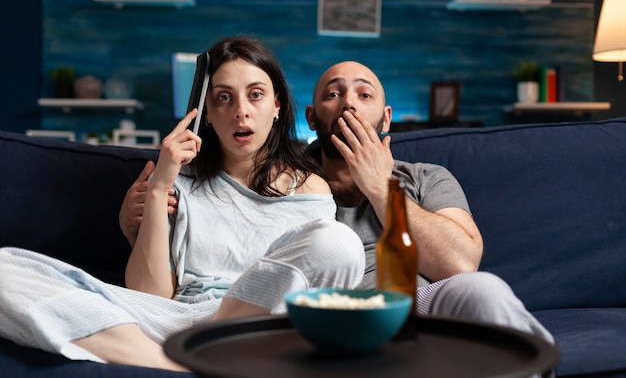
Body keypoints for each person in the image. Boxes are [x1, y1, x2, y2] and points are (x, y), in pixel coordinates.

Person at [121, 60, 555, 350]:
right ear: (310, 118)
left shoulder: (425, 178)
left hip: (406, 302)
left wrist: (381, 188)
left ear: (386, 119)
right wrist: (139, 220)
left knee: (484, 290)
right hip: (313, 315)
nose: (348, 102)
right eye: (334, 94)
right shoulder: (279, 176)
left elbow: (461, 263)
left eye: (364, 96)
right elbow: (221, 233)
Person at [0, 37, 365, 371]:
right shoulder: (178, 180)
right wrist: (160, 186)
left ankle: (199, 355)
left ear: (276, 106)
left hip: (261, 322)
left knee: (339, 242)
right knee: (4, 267)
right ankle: (177, 366)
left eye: (255, 94)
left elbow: (319, 286)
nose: (241, 111)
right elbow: (151, 295)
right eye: (224, 97)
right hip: (178, 319)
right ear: (205, 112)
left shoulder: (311, 189)